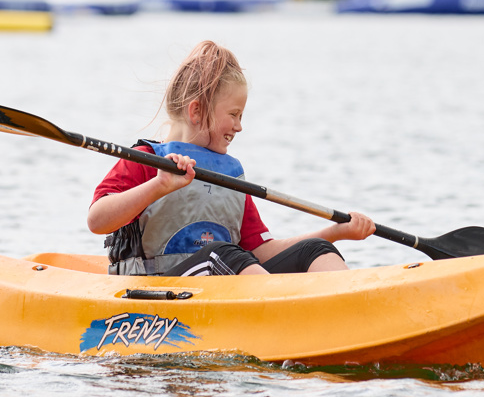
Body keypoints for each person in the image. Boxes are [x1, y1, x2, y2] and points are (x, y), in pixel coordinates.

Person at [88, 41, 376, 277]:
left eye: (242, 116)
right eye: (234, 115)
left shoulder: (230, 175)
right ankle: (284, 312)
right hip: (158, 291)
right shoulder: (147, 160)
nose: (239, 126)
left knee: (313, 249)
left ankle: (350, 307)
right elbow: (97, 220)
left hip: (223, 276)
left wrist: (335, 232)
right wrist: (158, 186)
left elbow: (261, 251)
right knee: (223, 254)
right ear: (197, 111)